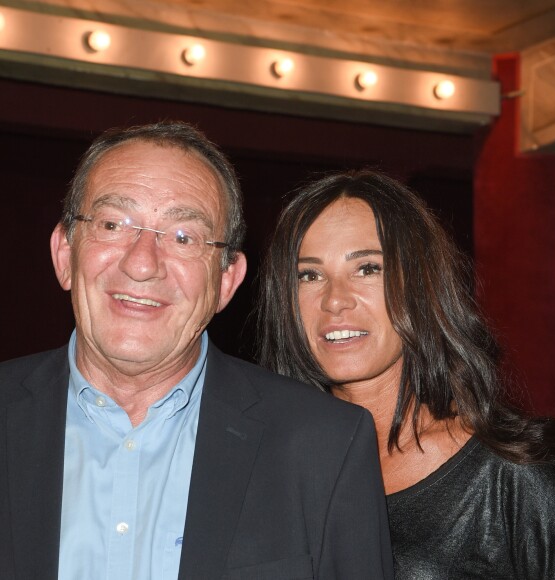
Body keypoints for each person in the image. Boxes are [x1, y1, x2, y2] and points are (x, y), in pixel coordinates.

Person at [0, 124, 394, 580]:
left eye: (184, 237)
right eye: (112, 225)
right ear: (65, 254)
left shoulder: (324, 446)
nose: (142, 263)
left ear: (226, 281)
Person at [256, 169, 555, 579]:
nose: (335, 300)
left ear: (420, 284)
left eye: (368, 268)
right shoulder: (266, 472)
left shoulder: (513, 477)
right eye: (309, 275)